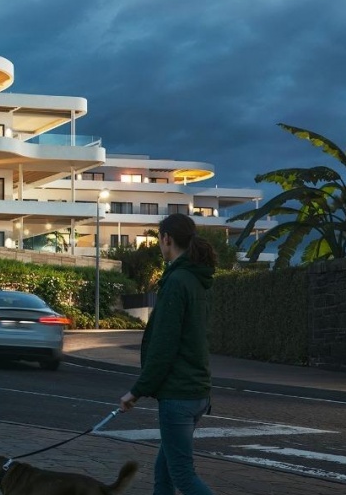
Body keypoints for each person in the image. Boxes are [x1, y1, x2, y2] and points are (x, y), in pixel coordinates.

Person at [119, 212, 215, 495]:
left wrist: (136, 391)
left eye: (160, 239)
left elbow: (164, 346)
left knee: (182, 476)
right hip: (197, 391)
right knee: (164, 473)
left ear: (167, 239)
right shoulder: (196, 280)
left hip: (179, 394)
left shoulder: (177, 282)